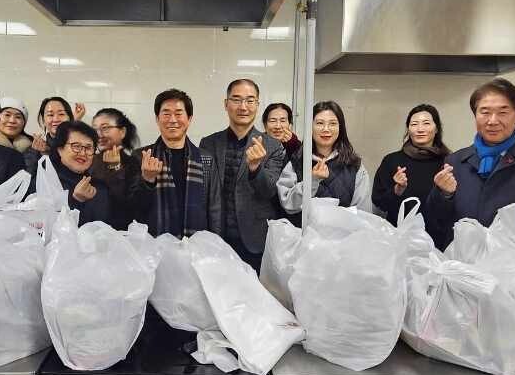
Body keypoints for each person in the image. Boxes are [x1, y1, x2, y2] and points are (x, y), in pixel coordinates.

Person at [424, 78, 515, 250]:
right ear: (475, 115)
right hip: (463, 263)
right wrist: (443, 195)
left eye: (503, 112)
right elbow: (435, 224)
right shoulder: (455, 162)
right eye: (485, 112)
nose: (492, 121)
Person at [200, 79, 286, 271]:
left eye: (249, 100)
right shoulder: (209, 143)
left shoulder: (273, 146)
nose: (243, 107)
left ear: (257, 104)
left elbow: (270, 191)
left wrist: (256, 169)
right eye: (236, 100)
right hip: (216, 238)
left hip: (254, 241)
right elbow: (204, 191)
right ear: (226, 104)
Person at [133, 89, 214, 239]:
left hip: (197, 245)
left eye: (178, 113)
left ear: (189, 118)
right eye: (166, 114)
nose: (172, 120)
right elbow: (134, 209)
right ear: (157, 119)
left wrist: (215, 245)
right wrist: (147, 181)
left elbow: (214, 208)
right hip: (155, 244)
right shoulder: (141, 156)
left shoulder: (205, 158)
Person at [276, 101, 371, 223]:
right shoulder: (296, 161)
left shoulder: (354, 165)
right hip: (303, 234)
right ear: (310, 127)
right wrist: (312, 181)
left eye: (332, 123)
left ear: (340, 128)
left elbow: (363, 214)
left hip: (344, 234)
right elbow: (288, 204)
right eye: (320, 123)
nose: (326, 129)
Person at [372, 104, 450, 226]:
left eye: (426, 123)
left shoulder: (448, 163)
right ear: (408, 129)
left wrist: (447, 193)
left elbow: (457, 205)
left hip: (438, 234)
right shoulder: (391, 161)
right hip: (398, 233)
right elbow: (379, 202)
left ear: (436, 129)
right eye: (414, 124)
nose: (420, 129)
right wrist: (396, 191)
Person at [90, 107, 142, 230]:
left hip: (121, 233)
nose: (99, 134)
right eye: (95, 129)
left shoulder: (134, 162)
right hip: (90, 231)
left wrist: (115, 169)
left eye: (105, 128)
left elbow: (132, 204)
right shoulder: (88, 160)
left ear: (122, 132)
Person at [49, 121, 110, 225]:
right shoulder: (46, 182)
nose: (83, 153)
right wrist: (76, 201)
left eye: (88, 148)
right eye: (76, 146)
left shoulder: (100, 187)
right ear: (60, 149)